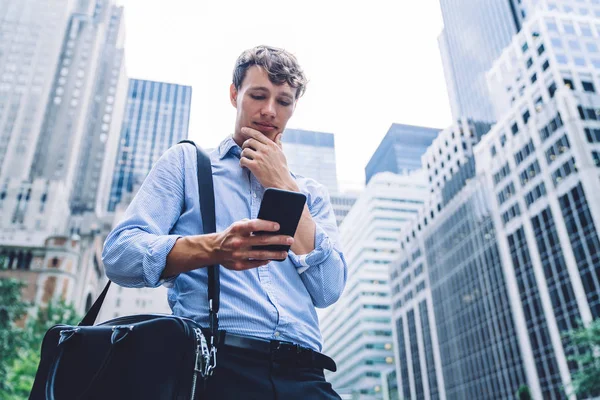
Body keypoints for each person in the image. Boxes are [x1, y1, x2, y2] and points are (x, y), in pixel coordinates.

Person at [102, 45, 347, 399]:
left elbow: (329, 289)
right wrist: (213, 248)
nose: (269, 110)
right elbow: (119, 256)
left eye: (283, 101)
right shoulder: (187, 164)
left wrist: (284, 185)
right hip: (217, 367)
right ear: (235, 94)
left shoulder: (311, 193)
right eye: (258, 95)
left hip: (307, 374)